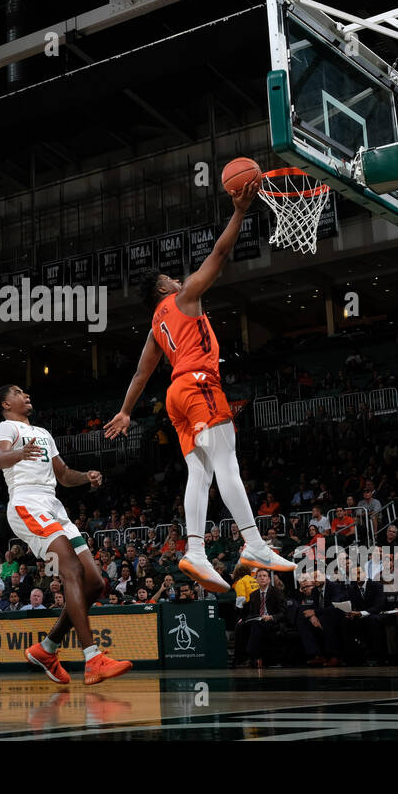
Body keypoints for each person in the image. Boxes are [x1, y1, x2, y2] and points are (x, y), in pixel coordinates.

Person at [104, 176, 294, 592]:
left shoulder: (156, 326)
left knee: (201, 474)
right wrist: (241, 210)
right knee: (227, 464)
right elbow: (221, 253)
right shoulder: (184, 297)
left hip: (175, 396)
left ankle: (194, 550)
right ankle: (254, 542)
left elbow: (141, 374)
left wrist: (125, 411)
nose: (177, 278)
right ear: (162, 288)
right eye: (170, 277)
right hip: (199, 385)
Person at [0, 385, 130, 686]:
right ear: (6, 403)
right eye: (17, 392)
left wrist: (85, 477)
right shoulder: (5, 426)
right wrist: (19, 452)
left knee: (95, 581)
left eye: (26, 391)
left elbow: (64, 475)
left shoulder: (43, 432)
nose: (26, 393)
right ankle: (93, 658)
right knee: (70, 568)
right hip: (26, 503)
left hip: (53, 504)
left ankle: (47, 648)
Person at [238, 569, 286, 667]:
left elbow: (283, 613)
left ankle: (252, 656)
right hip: (258, 620)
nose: (262, 578)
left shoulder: (277, 592)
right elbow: (251, 613)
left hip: (272, 621)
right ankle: (240, 658)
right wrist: (243, 619)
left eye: (264, 576)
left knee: (256, 625)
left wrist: (271, 617)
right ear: (256, 579)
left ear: (268, 579)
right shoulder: (253, 595)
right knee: (240, 626)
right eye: (260, 576)